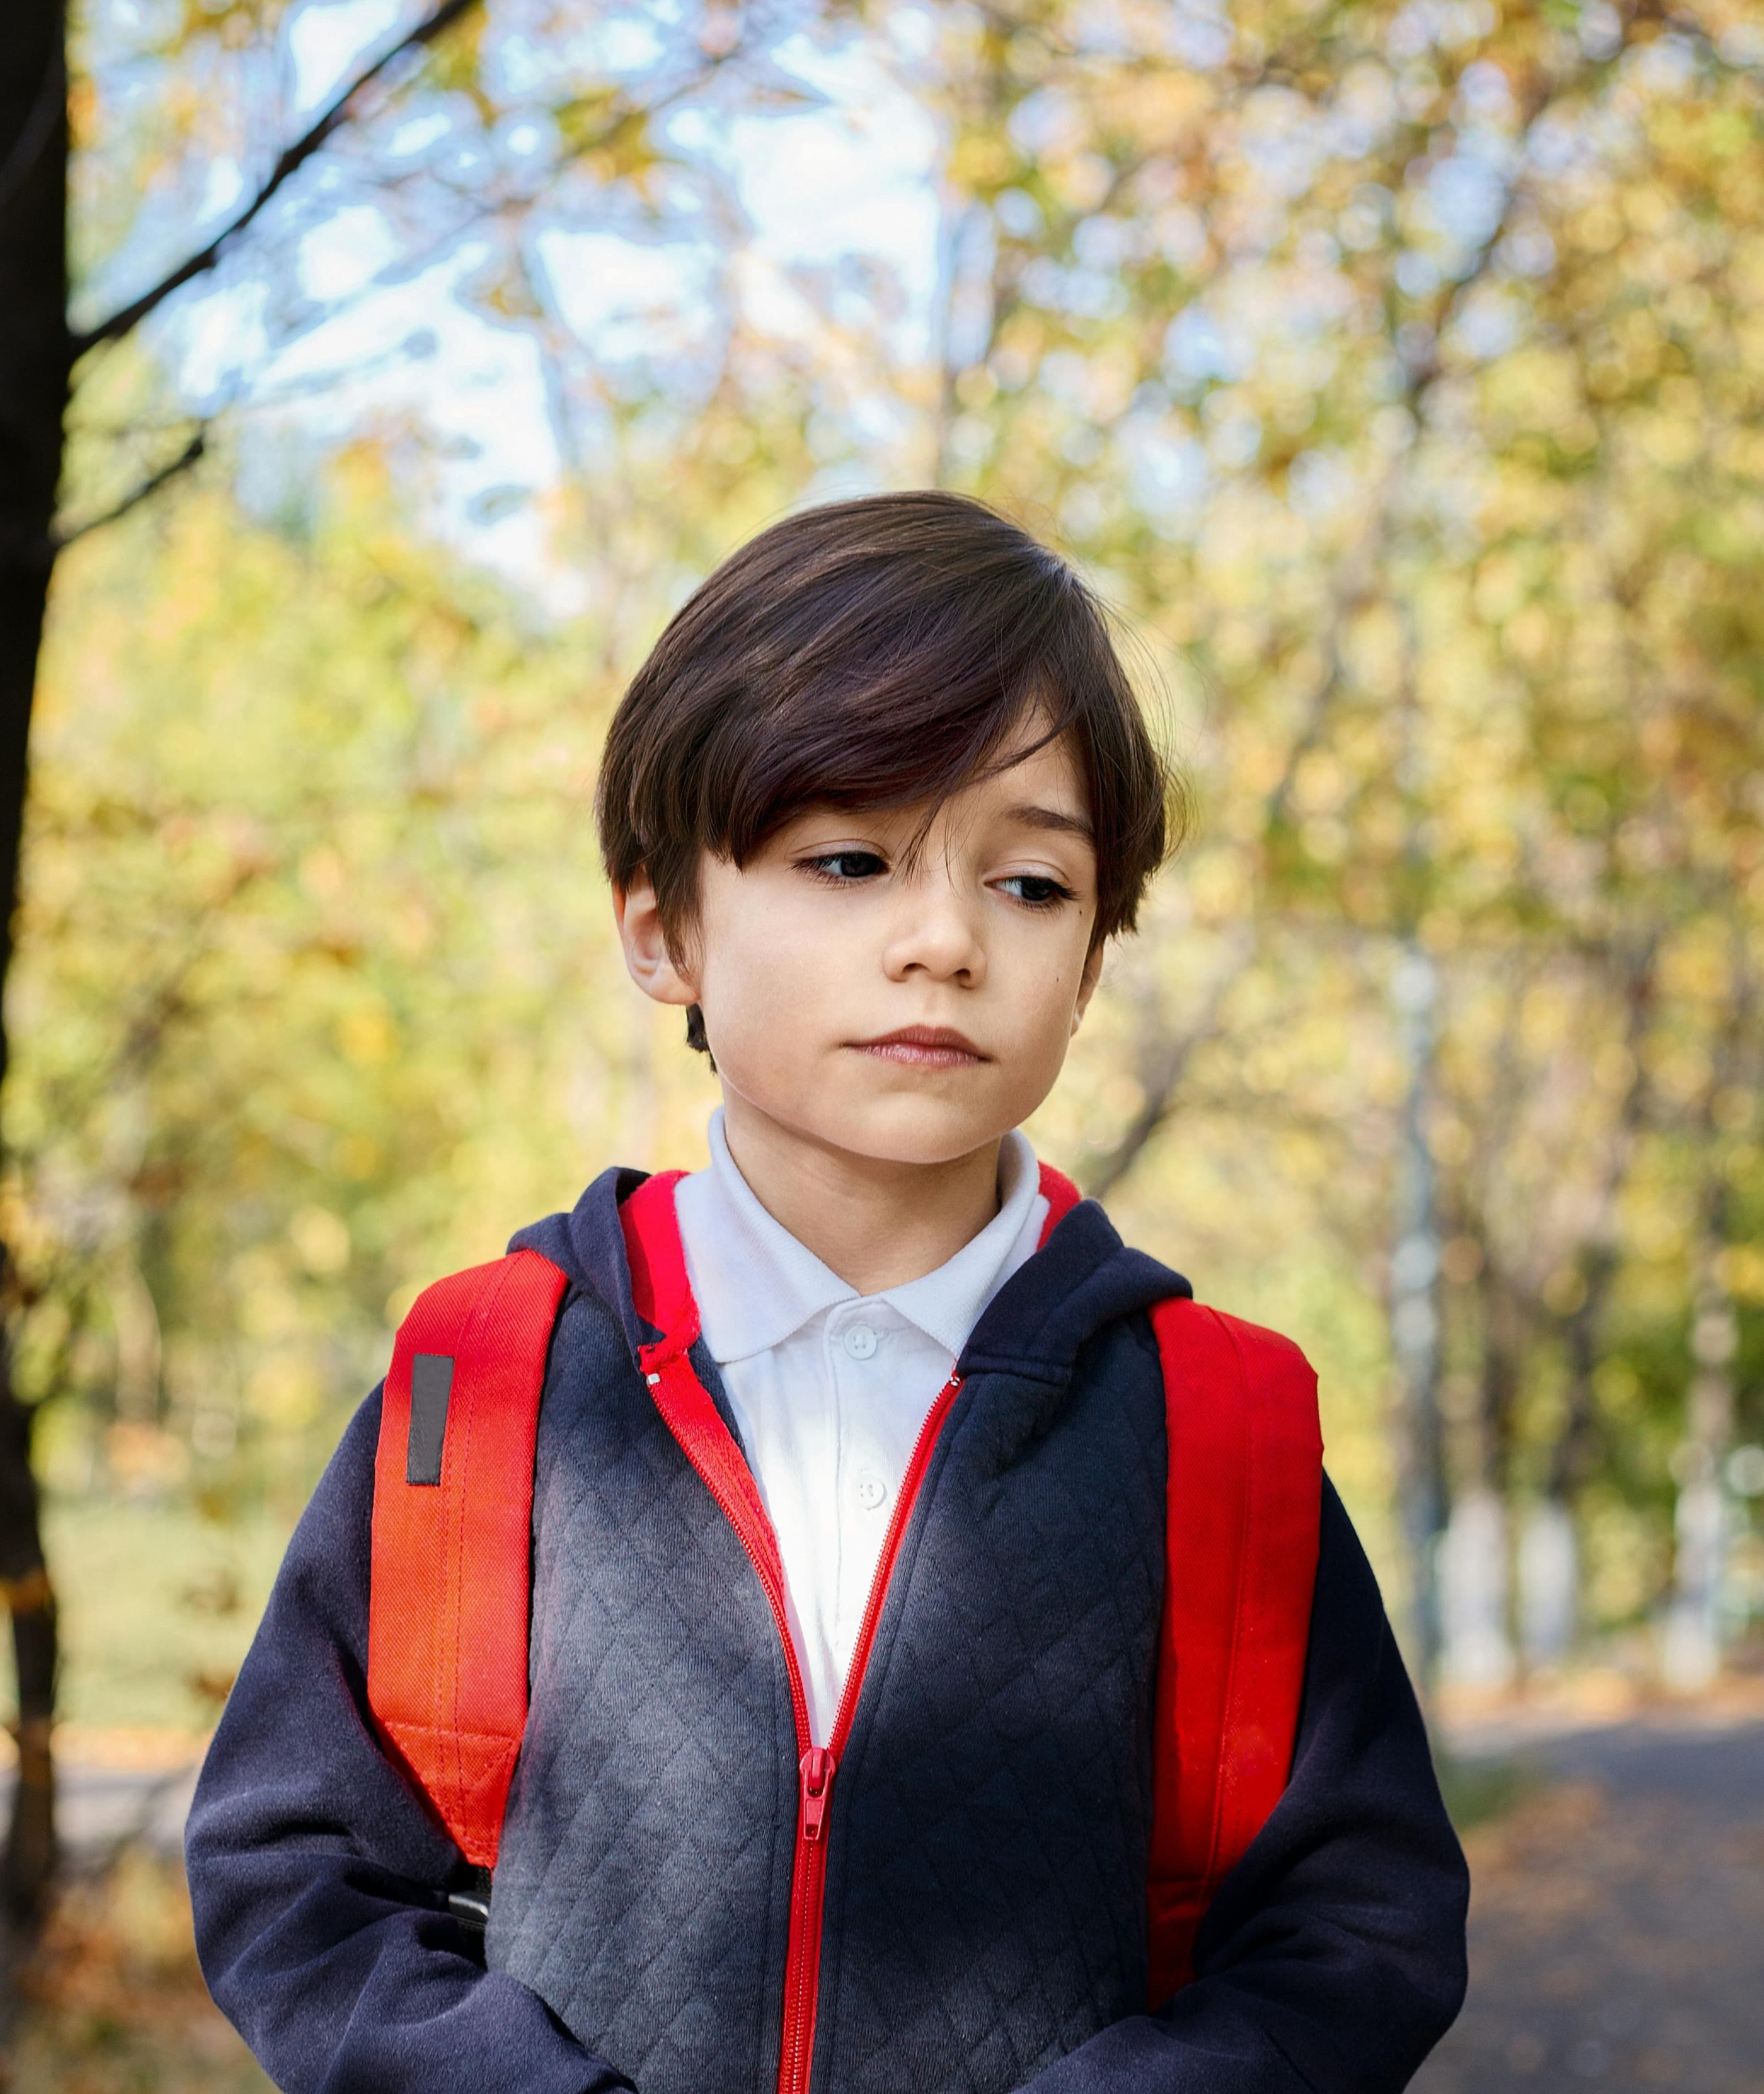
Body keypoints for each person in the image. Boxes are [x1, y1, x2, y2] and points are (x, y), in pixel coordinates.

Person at [184, 491, 1469, 2094]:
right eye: (851, 858)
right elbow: (295, 1872)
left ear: (1094, 957)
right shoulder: (488, 1388)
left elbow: (1363, 1920)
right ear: (665, 934)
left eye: (1031, 885)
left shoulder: (1214, 1428)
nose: (943, 940)